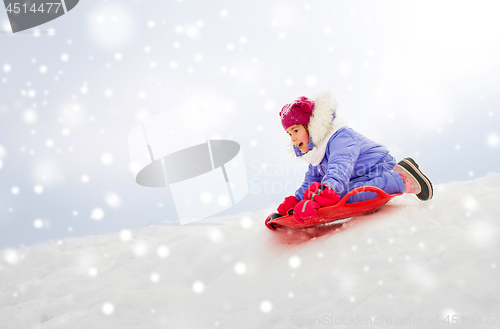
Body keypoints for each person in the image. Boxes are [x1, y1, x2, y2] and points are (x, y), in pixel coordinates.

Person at [268, 92, 433, 224]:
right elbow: (312, 179)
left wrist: (324, 196)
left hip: (378, 167)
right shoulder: (316, 152)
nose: (293, 138)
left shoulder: (340, 138)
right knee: (336, 196)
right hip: (360, 175)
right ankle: (396, 176)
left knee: (348, 197)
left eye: (296, 131)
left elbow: (339, 169)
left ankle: (400, 178)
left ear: (310, 126)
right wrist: (297, 201)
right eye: (289, 134)